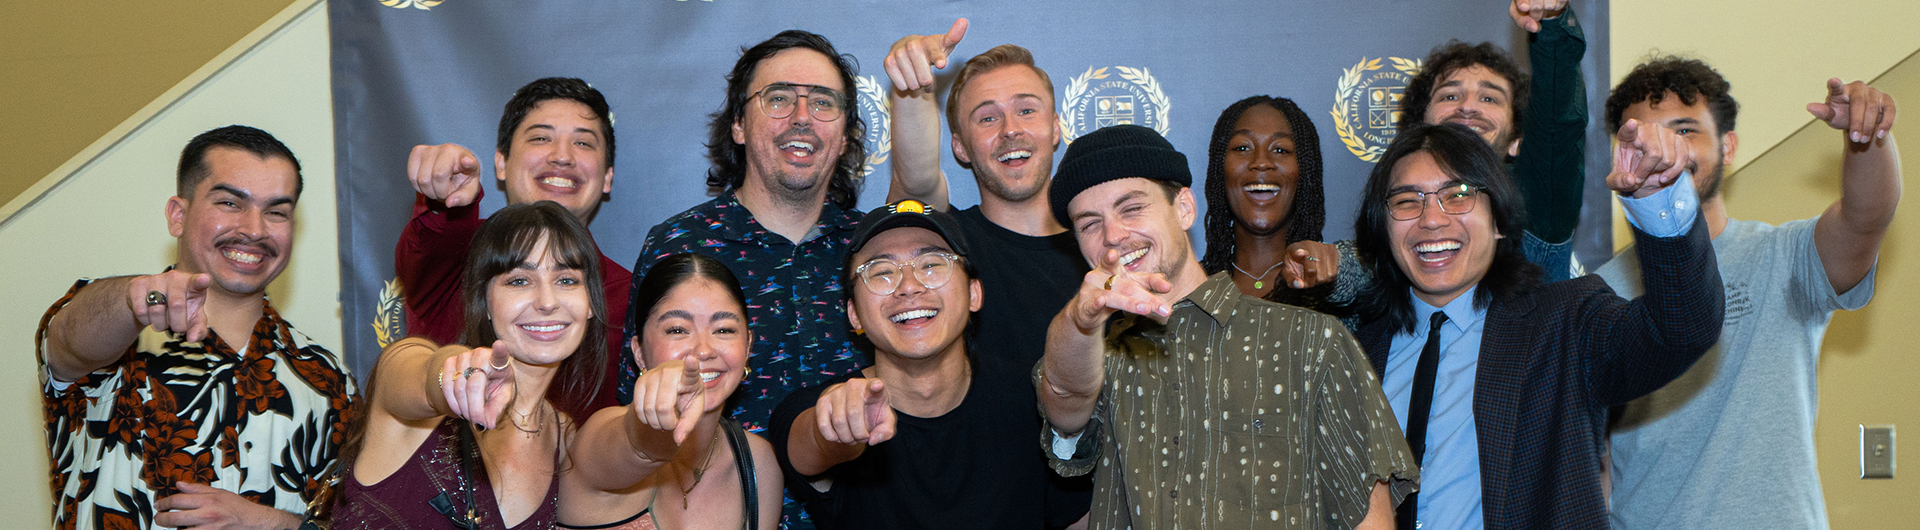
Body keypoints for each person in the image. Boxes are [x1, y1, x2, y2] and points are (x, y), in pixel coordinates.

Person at [1348, 122, 1723, 529]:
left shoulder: (1565, 322)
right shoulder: (1352, 354)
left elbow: (1681, 329)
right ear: (1384, 228)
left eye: (1458, 195)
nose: (1432, 219)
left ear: (1498, 221)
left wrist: (1657, 197)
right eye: (1406, 201)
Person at [1037, 125, 1414, 529]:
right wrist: (1081, 320)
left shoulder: (1309, 340)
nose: (1113, 236)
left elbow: (1368, 516)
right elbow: (1065, 402)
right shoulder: (1093, 356)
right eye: (1090, 224)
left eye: (1132, 208)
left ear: (1184, 207)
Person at [1597, 59, 1900, 530]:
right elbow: (1594, 457)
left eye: (1684, 130)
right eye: (1644, 135)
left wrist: (1868, 137)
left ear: (1728, 145)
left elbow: (1867, 217)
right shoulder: (1600, 292)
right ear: (1622, 154)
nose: (1664, 149)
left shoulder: (1785, 256)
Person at [37, 125, 356, 530]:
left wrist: (272, 523)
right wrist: (138, 299)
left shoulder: (328, 378)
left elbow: (353, 521)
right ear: (178, 215)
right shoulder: (119, 335)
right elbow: (71, 337)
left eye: (276, 211)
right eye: (230, 202)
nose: (255, 229)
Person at [880, 21, 1093, 527]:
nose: (1011, 129)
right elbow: (915, 179)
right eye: (986, 118)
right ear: (959, 146)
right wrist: (912, 91)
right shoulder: (948, 250)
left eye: (1026, 109)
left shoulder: (1103, 248)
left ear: (1057, 126)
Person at [768, 199, 1065, 529]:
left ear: (974, 293)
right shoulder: (815, 407)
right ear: (854, 315)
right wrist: (840, 427)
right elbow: (811, 444)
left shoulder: (1034, 398)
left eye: (932, 265)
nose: (909, 286)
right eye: (881, 273)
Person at [630, 30, 867, 434]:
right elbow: (633, 406)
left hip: (861, 498)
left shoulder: (873, 248)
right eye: (778, 98)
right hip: (722, 494)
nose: (802, 117)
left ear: (844, 137)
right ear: (738, 125)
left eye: (823, 102)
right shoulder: (678, 244)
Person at [332, 201, 608, 529]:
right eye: (519, 280)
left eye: (566, 280)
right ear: (485, 302)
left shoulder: (563, 439)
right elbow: (424, 377)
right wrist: (456, 378)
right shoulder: (407, 361)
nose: (547, 301)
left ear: (590, 303)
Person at [396, 77, 629, 418]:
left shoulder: (631, 296)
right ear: (501, 163)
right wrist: (447, 193)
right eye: (540, 138)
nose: (562, 156)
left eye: (583, 143)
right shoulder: (453, 256)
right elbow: (432, 239)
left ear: (607, 176)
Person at [559, 253, 784, 530]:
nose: (704, 350)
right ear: (639, 353)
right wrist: (657, 424)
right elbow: (637, 444)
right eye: (677, 329)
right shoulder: (600, 434)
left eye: (724, 329)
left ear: (748, 345)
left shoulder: (758, 463)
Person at [1396, 0, 1591, 281]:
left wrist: (1551, 24)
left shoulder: (1536, 200)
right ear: (1419, 124)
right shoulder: (1394, 196)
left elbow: (1556, 120)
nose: (1467, 107)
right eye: (1450, 96)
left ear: (1517, 139)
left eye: (1489, 98)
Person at [1197, 95, 1344, 307]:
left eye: (1280, 150)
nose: (1261, 162)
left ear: (1305, 171)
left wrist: (1335, 268)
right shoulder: (1191, 289)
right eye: (1242, 148)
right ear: (1220, 169)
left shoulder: (1334, 287)